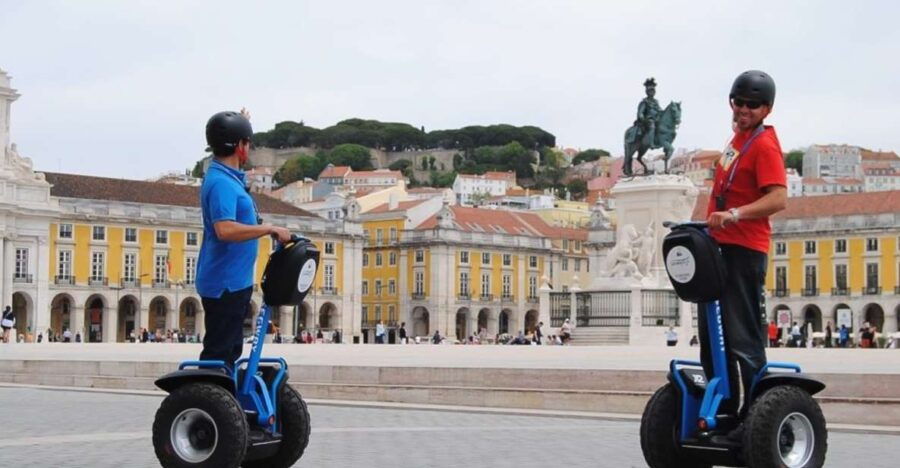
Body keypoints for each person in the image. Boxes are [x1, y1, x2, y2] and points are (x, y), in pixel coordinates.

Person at [702, 70, 786, 428]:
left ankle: (756, 415)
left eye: (753, 105)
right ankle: (726, 406)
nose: (744, 110)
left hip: (745, 249)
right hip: (719, 246)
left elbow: (779, 198)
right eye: (739, 102)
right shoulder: (736, 141)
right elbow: (720, 190)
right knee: (712, 336)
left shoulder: (764, 145)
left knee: (742, 336)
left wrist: (735, 214)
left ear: (766, 109)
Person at [196, 109, 292, 372]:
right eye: (247, 142)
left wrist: (240, 123)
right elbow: (224, 229)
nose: (249, 147)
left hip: (233, 281)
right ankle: (210, 406)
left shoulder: (228, 179)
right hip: (224, 282)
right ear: (239, 146)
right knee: (219, 353)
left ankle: (223, 405)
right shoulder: (221, 183)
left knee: (229, 351)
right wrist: (268, 229)